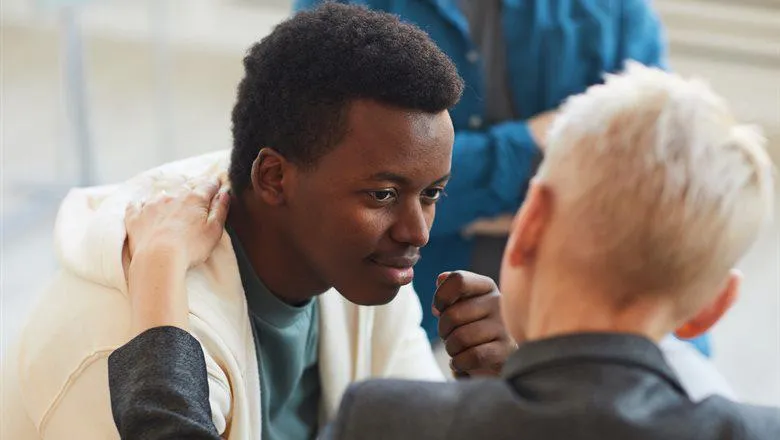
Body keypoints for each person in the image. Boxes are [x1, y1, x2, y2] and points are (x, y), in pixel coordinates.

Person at [107, 64, 779, 439]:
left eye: (432, 197)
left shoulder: (390, 421)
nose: (419, 232)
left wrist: (162, 270)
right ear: (712, 307)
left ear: (532, 219)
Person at [2, 5, 515, 439]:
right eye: (382, 194)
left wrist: (490, 391)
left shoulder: (359, 268)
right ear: (273, 178)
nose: (418, 232)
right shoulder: (119, 350)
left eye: (431, 194)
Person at [294, 0, 713, 357]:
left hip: (589, 334)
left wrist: (431, 191)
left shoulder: (616, 11)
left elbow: (653, 189)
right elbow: (335, 179)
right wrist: (530, 147)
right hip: (395, 331)